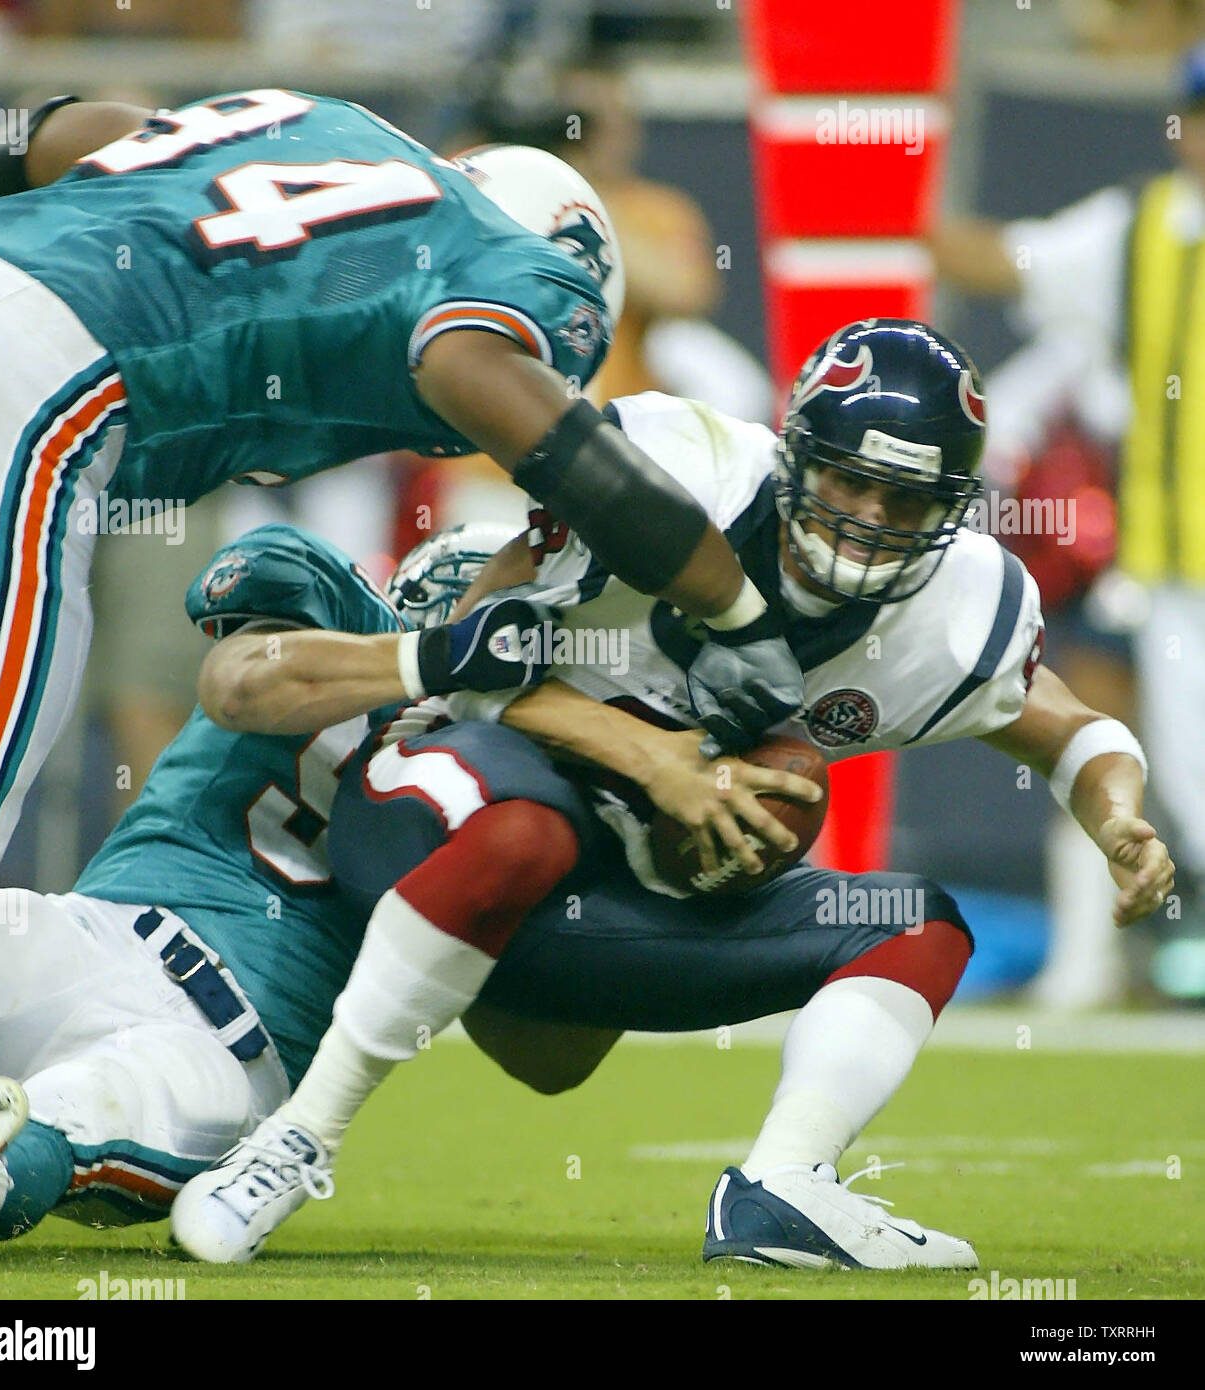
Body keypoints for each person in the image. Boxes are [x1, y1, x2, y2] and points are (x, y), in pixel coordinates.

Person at [169, 320, 1174, 1269]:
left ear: (949, 509)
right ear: (794, 456)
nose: (870, 520)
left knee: (910, 920)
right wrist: (651, 761)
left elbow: (1076, 731)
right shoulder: (675, 468)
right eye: (849, 481)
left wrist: (1118, 815)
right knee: (526, 834)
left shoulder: (955, 613)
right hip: (442, 815)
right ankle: (297, 1142)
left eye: (904, 502)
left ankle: (784, 1184)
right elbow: (470, 659)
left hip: (610, 899)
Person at [0, 89, 801, 897]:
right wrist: (737, 612)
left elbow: (40, 138)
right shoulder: (517, 264)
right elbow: (483, 376)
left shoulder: (331, 127)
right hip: (43, 378)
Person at [0, 522, 801, 1243]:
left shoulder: (524, 807)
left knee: (78, 1119)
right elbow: (238, 615)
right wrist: (437, 665)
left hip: (231, 1047)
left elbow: (548, 1060)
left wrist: (634, 882)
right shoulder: (334, 629)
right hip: (92, 936)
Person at [931, 42, 1205, 991]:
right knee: (1173, 776)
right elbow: (1000, 257)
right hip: (1170, 566)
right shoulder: (1138, 229)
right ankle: (1106, 967)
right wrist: (883, 196)